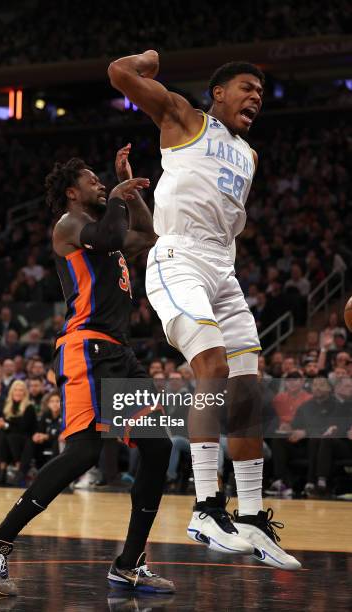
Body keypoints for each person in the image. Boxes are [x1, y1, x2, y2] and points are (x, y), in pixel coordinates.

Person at [109, 50, 299, 569]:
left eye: (261, 93)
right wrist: (150, 58)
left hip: (223, 268)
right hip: (179, 258)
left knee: (246, 393)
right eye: (246, 87)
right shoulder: (184, 118)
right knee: (211, 370)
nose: (255, 97)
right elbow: (120, 73)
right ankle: (206, 508)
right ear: (217, 93)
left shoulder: (250, 155)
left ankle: (253, 517)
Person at [0, 146, 174, 595]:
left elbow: (149, 235)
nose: (99, 183)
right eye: (92, 180)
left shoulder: (106, 226)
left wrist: (129, 188)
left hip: (119, 352)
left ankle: (128, 563)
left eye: (102, 180)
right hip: (88, 348)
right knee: (83, 452)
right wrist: (117, 195)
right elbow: (112, 236)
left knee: (158, 446)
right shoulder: (70, 225)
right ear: (71, 192)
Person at [0, 379, 37, 486]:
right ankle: (2, 470)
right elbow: (8, 424)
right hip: (11, 437)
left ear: (25, 393)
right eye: (15, 390)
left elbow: (23, 427)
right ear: (12, 392)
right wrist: (0, 423)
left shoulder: (29, 407)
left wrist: (5, 424)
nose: (18, 393)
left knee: (10, 436)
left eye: (21, 390)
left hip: (26, 438)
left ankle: (19, 468)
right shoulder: (7, 406)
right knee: (1, 435)